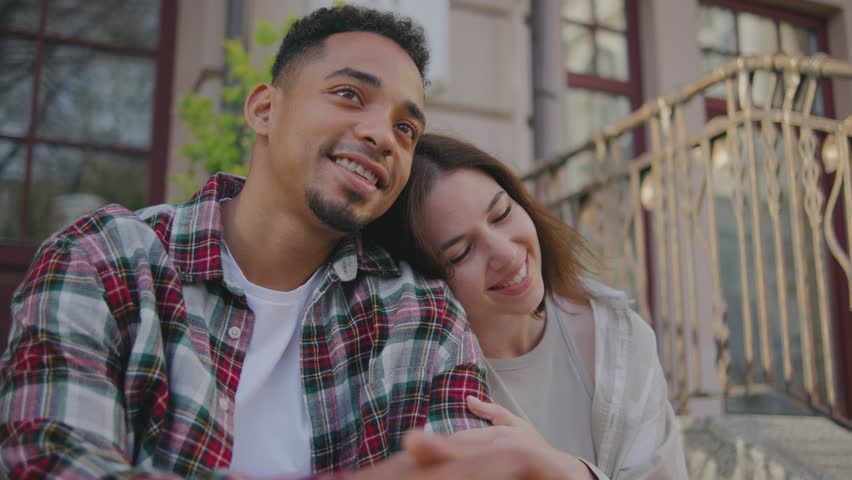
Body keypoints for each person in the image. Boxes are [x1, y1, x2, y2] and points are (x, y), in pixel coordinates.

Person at [0, 7, 564, 480]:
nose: (381, 136)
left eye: (405, 129)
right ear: (265, 109)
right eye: (349, 94)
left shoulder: (422, 316)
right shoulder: (104, 263)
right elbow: (55, 464)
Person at [367, 134, 689, 479]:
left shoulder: (620, 338)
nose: (506, 253)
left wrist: (566, 470)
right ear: (424, 280)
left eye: (502, 214)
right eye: (461, 252)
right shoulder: (424, 380)